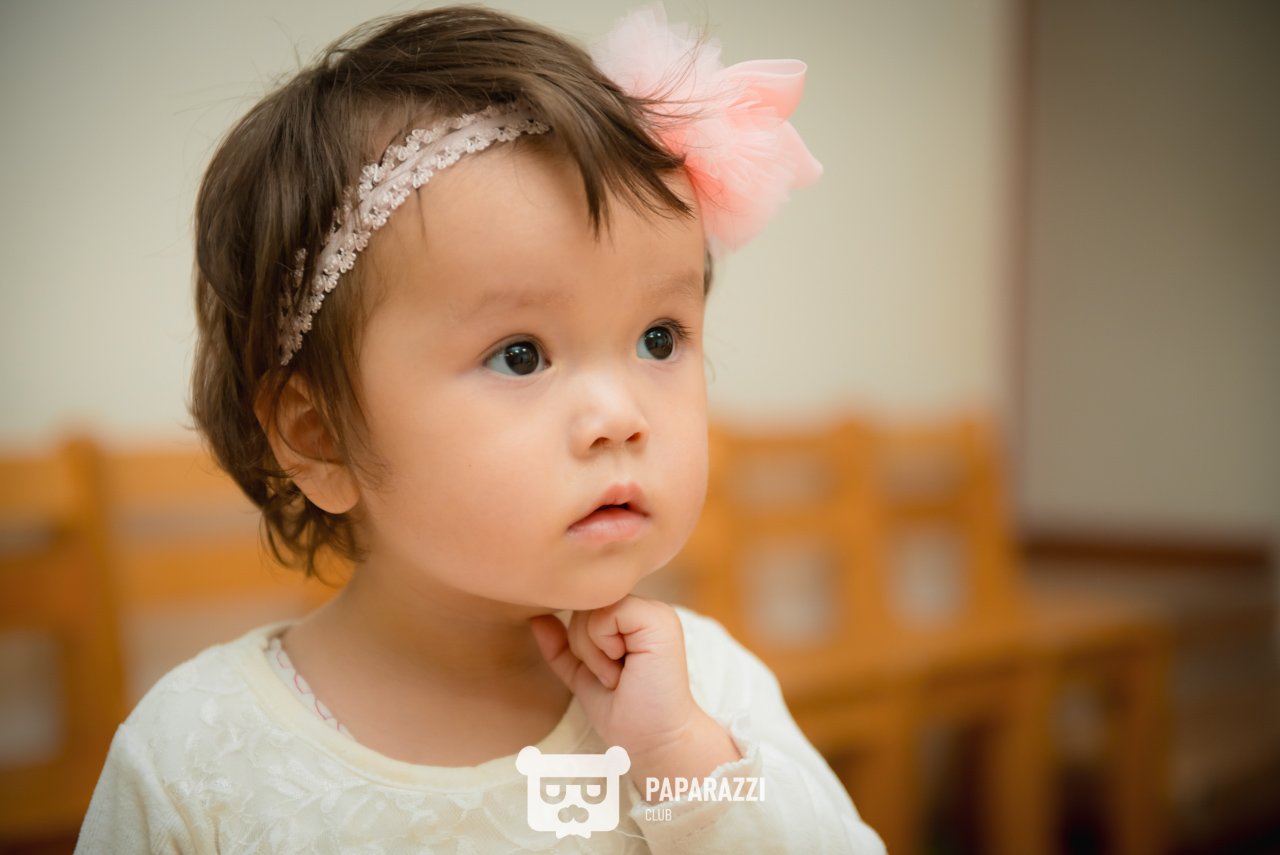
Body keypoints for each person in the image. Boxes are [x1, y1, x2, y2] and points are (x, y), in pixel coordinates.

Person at [75, 5, 886, 853]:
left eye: (659, 338)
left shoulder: (704, 692)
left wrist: (681, 761)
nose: (621, 418)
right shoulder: (197, 758)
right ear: (321, 436)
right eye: (520, 355)